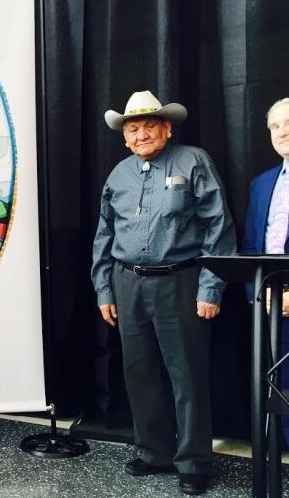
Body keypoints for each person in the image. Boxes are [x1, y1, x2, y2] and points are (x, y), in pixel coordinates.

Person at [91, 90, 236, 496]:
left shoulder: (193, 161)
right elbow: (104, 233)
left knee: (186, 375)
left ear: (167, 128)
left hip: (181, 282)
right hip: (127, 282)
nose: (140, 135)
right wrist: (104, 288)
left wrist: (211, 286)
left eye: (148, 126)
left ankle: (193, 462)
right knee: (140, 374)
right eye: (133, 129)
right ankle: (153, 452)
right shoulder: (118, 174)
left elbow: (218, 226)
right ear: (124, 138)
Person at [242, 97, 289, 440]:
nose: (281, 132)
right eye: (275, 126)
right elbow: (250, 249)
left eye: (288, 123)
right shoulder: (261, 184)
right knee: (280, 387)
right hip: (270, 304)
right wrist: (259, 297)